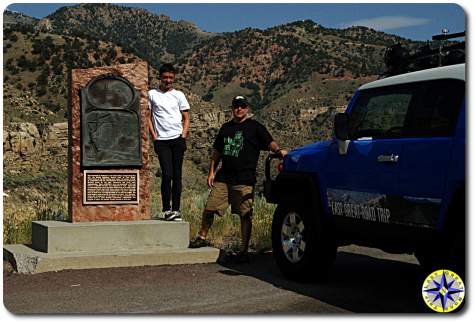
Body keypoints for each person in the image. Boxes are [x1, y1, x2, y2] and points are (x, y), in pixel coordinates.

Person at [189, 95, 287, 263]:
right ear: (232, 108)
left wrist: (279, 151)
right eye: (236, 106)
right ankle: (202, 236)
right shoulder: (225, 128)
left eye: (242, 106)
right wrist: (211, 172)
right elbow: (217, 152)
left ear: (247, 108)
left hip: (244, 179)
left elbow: (270, 142)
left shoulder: (255, 127)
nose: (239, 109)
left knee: (245, 214)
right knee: (209, 207)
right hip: (224, 177)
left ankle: (243, 250)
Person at [148, 63, 190, 221]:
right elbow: (148, 117)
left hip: (177, 139)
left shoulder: (179, 95)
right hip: (162, 141)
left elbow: (186, 117)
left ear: (174, 78)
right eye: (165, 77)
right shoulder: (152, 94)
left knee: (177, 176)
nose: (168, 80)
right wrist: (154, 136)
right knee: (167, 174)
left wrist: (183, 134)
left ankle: (176, 210)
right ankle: (166, 209)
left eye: (171, 78)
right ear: (160, 77)